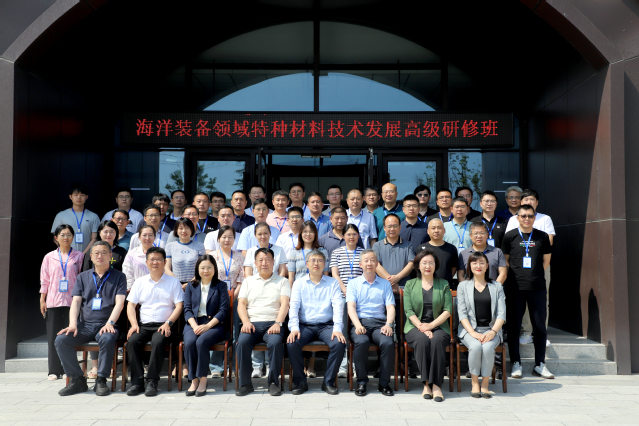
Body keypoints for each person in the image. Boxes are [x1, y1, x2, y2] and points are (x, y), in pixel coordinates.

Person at [55, 241, 127, 396]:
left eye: (104, 252)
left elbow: (120, 303)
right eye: (96, 253)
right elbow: (76, 302)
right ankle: (77, 379)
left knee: (107, 338)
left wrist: (110, 323)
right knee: (61, 340)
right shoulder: (82, 277)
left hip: (107, 324)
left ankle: (101, 380)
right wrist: (73, 324)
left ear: (110, 255)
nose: (100, 256)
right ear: (91, 257)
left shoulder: (119, 276)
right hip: (85, 325)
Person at [501, 204, 553, 379]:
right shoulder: (510, 236)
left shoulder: (542, 236)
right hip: (515, 287)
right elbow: (505, 261)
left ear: (534, 217)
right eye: (523, 216)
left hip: (537, 287)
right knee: (514, 326)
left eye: (530, 216)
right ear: (517, 218)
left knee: (539, 326)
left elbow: (546, 260)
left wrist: (534, 275)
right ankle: (516, 363)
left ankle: (540, 364)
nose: (526, 219)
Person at [126, 247, 184, 396]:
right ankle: (137, 382)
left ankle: (152, 381)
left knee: (158, 341)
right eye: (152, 259)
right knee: (132, 341)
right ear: (146, 262)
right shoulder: (140, 282)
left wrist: (168, 323)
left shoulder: (173, 282)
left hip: (165, 325)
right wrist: (134, 324)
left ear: (164, 262)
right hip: (144, 325)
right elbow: (131, 305)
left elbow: (179, 306)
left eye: (159, 259)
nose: (155, 262)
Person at [287, 250, 346, 396]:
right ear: (307, 264)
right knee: (292, 343)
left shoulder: (332, 283)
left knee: (339, 343)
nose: (316, 263)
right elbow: (293, 307)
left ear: (324, 264)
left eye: (320, 260)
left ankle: (328, 382)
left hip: (326, 325)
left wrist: (337, 329)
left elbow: (338, 307)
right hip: (304, 326)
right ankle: (300, 382)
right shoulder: (299, 283)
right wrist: (294, 328)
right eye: (313, 260)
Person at [235, 248, 290, 396]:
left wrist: (278, 323)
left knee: (275, 343)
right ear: (255, 263)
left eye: (267, 260)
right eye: (260, 260)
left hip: (273, 324)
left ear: (274, 262)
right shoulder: (248, 281)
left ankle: (273, 382)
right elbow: (241, 304)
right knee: (242, 343)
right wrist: (245, 322)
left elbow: (285, 304)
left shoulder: (282, 281)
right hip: (251, 323)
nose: (264, 263)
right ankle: (245, 384)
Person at [504, 189, 555, 345]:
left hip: (540, 267)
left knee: (542, 301)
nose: (528, 202)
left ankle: (541, 333)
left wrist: (538, 270)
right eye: (525, 199)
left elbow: (548, 242)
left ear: (537, 202)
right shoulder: (514, 219)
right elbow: (510, 245)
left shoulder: (545, 218)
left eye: (532, 199)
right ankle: (526, 332)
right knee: (520, 302)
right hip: (519, 270)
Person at [403, 250, 452, 402]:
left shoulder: (443, 284)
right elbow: (408, 310)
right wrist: (422, 327)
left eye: (431, 263)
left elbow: (447, 310)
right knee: (422, 340)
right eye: (424, 263)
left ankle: (436, 385)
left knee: (437, 341)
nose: (427, 266)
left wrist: (430, 326)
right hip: (415, 326)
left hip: (439, 326)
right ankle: (426, 384)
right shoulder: (410, 284)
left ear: (436, 265)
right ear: (418, 265)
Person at [347, 249, 396, 397]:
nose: (369, 263)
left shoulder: (385, 284)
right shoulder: (353, 283)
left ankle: (384, 383)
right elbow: (351, 307)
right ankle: (361, 382)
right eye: (366, 260)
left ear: (377, 264)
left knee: (387, 343)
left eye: (372, 260)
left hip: (380, 323)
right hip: (360, 322)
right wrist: (357, 325)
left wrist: (389, 324)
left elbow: (390, 307)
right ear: (361, 264)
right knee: (361, 342)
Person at [457, 251, 506, 398]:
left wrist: (493, 332)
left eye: (481, 263)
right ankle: (474, 383)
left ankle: (485, 384)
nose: (478, 266)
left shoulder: (497, 286)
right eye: (474, 263)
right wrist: (473, 333)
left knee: (488, 347)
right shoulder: (463, 286)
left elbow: (501, 314)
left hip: (491, 329)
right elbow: (462, 314)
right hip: (469, 330)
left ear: (487, 265)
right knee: (476, 346)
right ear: (469, 266)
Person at [40, 225, 84, 380]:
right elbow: (45, 279)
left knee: (69, 337)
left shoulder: (79, 256)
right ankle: (53, 370)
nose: (66, 237)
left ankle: (68, 369)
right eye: (62, 235)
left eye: (69, 235)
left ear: (73, 237)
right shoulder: (49, 257)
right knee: (53, 337)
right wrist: (42, 299)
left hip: (73, 302)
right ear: (56, 238)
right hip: (53, 300)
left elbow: (82, 278)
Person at [183, 255, 229, 396]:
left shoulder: (221, 286)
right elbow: (187, 309)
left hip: (214, 324)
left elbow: (223, 310)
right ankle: (194, 380)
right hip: (194, 323)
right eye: (202, 267)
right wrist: (194, 326)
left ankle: (203, 379)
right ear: (198, 269)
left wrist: (208, 326)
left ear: (214, 269)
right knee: (189, 342)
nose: (206, 270)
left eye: (209, 267)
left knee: (201, 341)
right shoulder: (191, 286)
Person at [209, 225, 245, 378]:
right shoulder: (212, 256)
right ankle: (216, 367)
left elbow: (242, 279)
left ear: (234, 239)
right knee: (216, 330)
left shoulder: (239, 257)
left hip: (235, 298)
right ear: (218, 239)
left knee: (236, 332)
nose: (227, 240)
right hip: (215, 298)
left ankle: (235, 365)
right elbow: (207, 276)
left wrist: (233, 296)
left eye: (230, 237)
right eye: (224, 237)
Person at [329, 223, 364, 378]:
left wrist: (354, 293)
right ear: (343, 236)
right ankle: (343, 365)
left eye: (354, 234)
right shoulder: (337, 252)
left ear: (358, 236)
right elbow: (335, 275)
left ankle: (356, 364)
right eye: (348, 234)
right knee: (342, 330)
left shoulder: (363, 252)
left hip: (360, 296)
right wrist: (345, 290)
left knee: (358, 330)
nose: (351, 237)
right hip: (341, 295)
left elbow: (366, 274)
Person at [51, 183, 100, 255]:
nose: (79, 197)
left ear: (87, 197)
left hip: (87, 256)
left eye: (82, 195)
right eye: (76, 195)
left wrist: (83, 254)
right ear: (70, 196)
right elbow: (56, 238)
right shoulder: (61, 215)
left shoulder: (93, 216)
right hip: (67, 255)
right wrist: (67, 252)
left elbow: (95, 239)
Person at [373, 213, 415, 292]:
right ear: (384, 228)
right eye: (389, 226)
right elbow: (376, 265)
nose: (392, 229)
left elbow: (411, 264)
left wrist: (397, 278)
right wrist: (391, 281)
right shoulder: (377, 245)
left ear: (400, 227)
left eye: (395, 226)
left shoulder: (408, 245)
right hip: (382, 289)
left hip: (403, 289)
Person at [165, 218, 206, 288]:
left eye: (187, 228)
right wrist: (178, 283)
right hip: (175, 285)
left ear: (192, 230)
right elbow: (166, 268)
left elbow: (202, 267)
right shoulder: (170, 246)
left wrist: (189, 284)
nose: (184, 231)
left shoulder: (199, 246)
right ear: (176, 230)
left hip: (195, 284)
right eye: (181, 228)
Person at [417, 219, 458, 287]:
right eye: (433, 228)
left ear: (444, 231)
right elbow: (417, 268)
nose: (436, 231)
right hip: (425, 287)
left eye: (439, 228)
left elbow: (453, 268)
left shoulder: (451, 248)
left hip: (445, 287)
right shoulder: (421, 248)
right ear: (428, 231)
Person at [122, 225, 155, 291]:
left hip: (155, 289)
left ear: (154, 237)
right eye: (144, 235)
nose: (147, 238)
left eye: (150, 235)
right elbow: (127, 273)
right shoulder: (132, 254)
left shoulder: (159, 254)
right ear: (139, 237)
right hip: (137, 290)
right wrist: (131, 288)